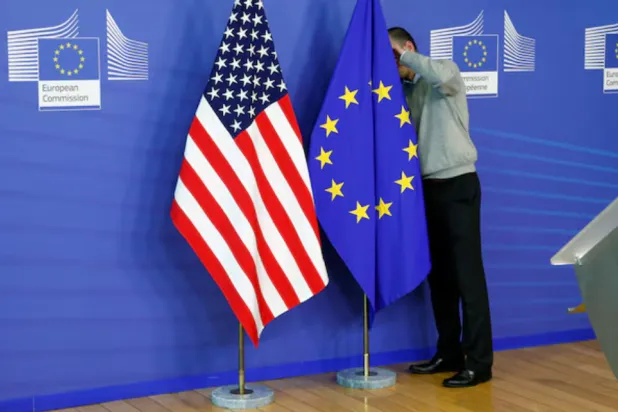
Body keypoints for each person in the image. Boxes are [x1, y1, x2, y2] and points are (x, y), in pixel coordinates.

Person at [388, 27, 493, 388]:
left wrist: (402, 56)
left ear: (409, 49)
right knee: (442, 280)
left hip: (459, 183)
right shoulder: (406, 92)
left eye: (395, 55)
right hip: (428, 189)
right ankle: (449, 352)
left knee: (468, 278)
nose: (394, 64)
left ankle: (479, 363)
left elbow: (438, 74)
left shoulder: (445, 74)